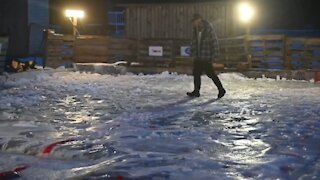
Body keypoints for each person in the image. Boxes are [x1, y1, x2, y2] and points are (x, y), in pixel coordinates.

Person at [187, 13, 226, 99]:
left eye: (195, 21)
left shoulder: (208, 29)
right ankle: (196, 91)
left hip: (206, 55)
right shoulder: (195, 30)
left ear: (199, 19)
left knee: (211, 73)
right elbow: (194, 42)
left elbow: (214, 41)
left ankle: (221, 89)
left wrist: (215, 55)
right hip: (198, 56)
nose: (194, 23)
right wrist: (192, 53)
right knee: (196, 73)